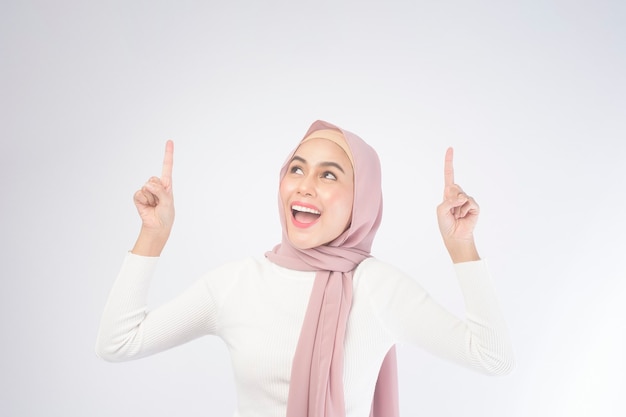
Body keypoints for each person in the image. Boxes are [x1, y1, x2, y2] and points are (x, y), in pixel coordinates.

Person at [96, 120, 514, 417]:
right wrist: (153, 235)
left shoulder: (378, 289)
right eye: (296, 169)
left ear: (361, 200)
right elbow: (118, 342)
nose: (305, 185)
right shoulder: (236, 284)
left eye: (328, 175)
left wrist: (462, 246)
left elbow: (492, 357)